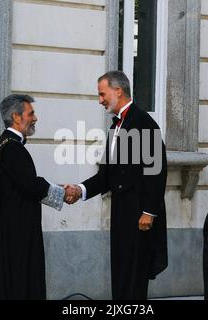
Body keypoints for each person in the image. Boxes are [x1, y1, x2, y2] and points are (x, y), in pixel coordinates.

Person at [65, 71, 168, 300]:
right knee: (120, 274)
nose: (100, 100)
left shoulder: (144, 122)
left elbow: (156, 171)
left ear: (118, 90)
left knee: (134, 278)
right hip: (122, 214)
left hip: (140, 215)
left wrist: (149, 212)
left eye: (102, 94)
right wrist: (79, 190)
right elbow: (108, 175)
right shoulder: (116, 127)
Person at [0, 94, 71, 300]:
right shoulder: (12, 148)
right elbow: (30, 185)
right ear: (16, 117)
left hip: (10, 229)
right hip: (18, 232)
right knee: (21, 283)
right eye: (30, 113)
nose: (35, 118)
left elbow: (22, 183)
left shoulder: (4, 144)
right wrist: (64, 193)